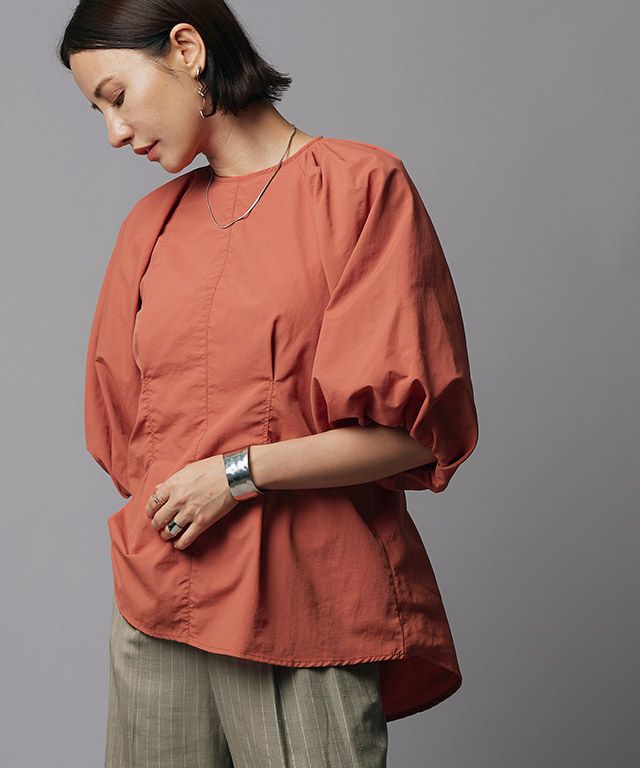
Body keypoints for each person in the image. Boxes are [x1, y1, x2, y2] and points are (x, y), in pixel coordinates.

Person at [58, 1, 479, 766]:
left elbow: (414, 433)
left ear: (187, 49)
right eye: (99, 112)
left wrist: (236, 473)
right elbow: (126, 437)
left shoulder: (358, 188)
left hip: (305, 608)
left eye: (116, 97)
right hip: (159, 605)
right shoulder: (149, 226)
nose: (114, 133)